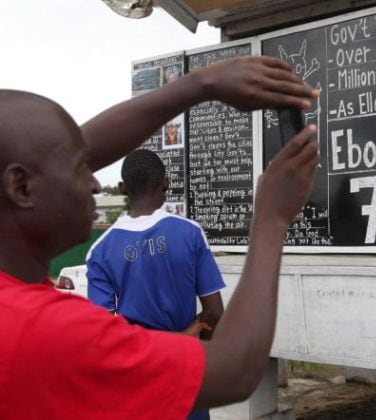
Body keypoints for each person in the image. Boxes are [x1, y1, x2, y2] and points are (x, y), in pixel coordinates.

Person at [0, 56, 320, 418]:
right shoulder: (46, 332)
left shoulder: (32, 295)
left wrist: (200, 85)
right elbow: (236, 369)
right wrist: (272, 217)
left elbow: (50, 155)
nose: (93, 182)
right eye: (80, 168)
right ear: (20, 186)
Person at [86, 149, 226, 420]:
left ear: (122, 188)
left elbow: (104, 338)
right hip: (187, 372)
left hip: (138, 379)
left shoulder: (101, 251)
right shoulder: (190, 233)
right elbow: (214, 314)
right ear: (165, 183)